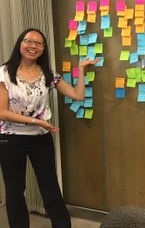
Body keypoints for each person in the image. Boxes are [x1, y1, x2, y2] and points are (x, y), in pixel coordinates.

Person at [0, 28, 98, 228]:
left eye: (39, 43)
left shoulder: (48, 74)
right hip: (10, 139)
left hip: (40, 139)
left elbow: (77, 96)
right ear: (20, 43)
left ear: (43, 49)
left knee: (50, 187)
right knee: (15, 191)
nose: (33, 46)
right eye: (29, 41)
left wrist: (81, 69)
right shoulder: (4, 72)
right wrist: (37, 121)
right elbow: (1, 112)